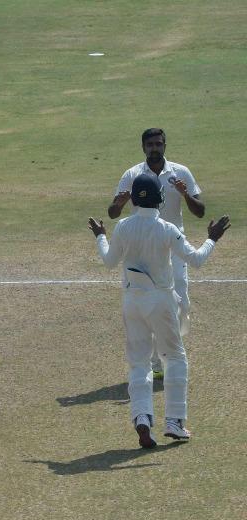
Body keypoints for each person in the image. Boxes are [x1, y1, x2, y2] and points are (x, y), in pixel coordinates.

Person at [89, 175, 230, 447]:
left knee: (139, 362)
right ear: (160, 200)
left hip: (132, 301)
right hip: (161, 300)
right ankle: (175, 422)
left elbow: (108, 262)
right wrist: (212, 238)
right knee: (175, 357)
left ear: (134, 199)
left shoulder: (123, 227)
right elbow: (196, 259)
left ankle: (142, 416)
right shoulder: (166, 228)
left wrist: (100, 237)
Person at [108, 128, 207, 377]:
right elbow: (112, 213)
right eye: (150, 144)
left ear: (165, 146)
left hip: (173, 245)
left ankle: (168, 347)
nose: (155, 148)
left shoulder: (180, 172)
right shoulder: (131, 175)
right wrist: (119, 203)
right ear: (143, 147)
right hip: (143, 248)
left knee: (182, 304)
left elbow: (200, 212)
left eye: (159, 144)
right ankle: (158, 362)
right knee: (151, 304)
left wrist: (186, 195)